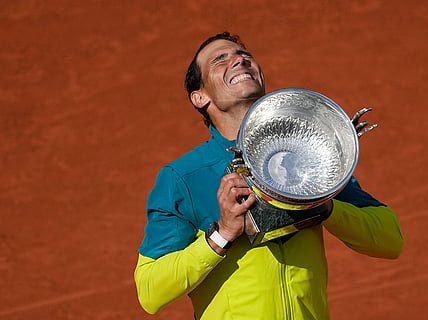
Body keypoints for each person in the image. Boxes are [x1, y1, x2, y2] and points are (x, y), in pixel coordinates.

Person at [134, 32, 404, 320]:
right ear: (200, 97)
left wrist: (324, 207)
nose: (239, 59)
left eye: (243, 54)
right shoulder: (184, 178)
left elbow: (390, 241)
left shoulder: (304, 155)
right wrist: (222, 235)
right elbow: (150, 291)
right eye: (219, 60)